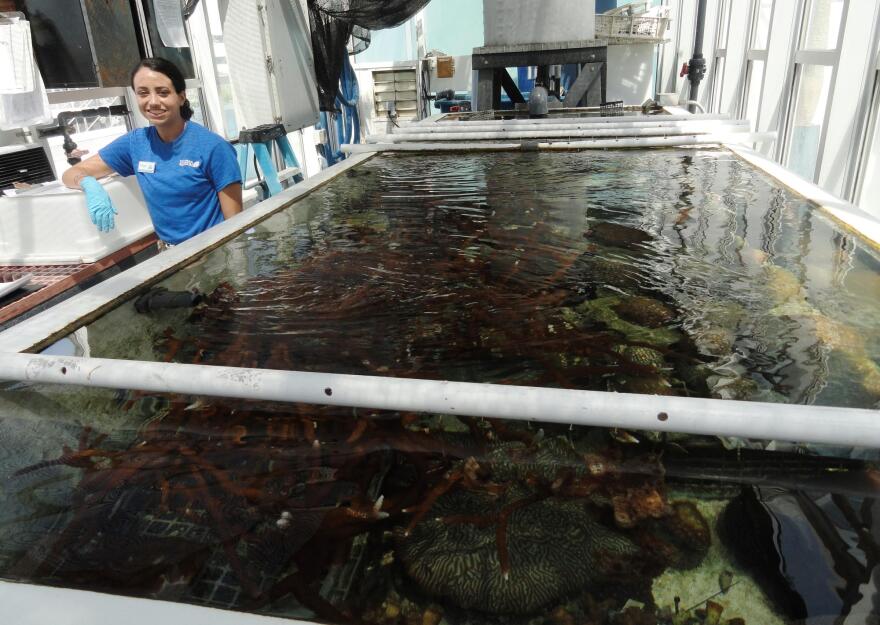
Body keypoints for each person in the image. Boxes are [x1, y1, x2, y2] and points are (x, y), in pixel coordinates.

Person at [62, 57, 243, 247]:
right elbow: (70, 174)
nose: (153, 102)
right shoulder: (135, 143)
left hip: (214, 252)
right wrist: (88, 184)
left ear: (181, 97)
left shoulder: (213, 147)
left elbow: (235, 227)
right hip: (171, 253)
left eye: (163, 93)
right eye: (143, 93)